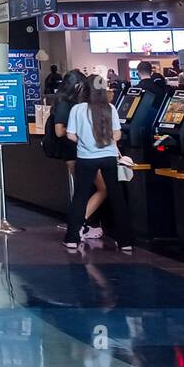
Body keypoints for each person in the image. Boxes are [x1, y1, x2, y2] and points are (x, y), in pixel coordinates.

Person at [64, 76, 132, 252]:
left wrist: (85, 141)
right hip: (109, 158)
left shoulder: (77, 109)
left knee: (80, 197)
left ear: (85, 89)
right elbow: (117, 135)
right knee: (117, 197)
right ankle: (125, 241)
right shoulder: (110, 108)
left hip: (86, 158)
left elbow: (70, 135)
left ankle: (71, 238)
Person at [48, 71, 106, 240]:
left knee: (85, 189)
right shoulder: (66, 104)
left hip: (75, 151)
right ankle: (80, 224)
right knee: (99, 188)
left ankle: (82, 225)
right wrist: (81, 131)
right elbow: (60, 132)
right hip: (75, 151)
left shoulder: (65, 102)